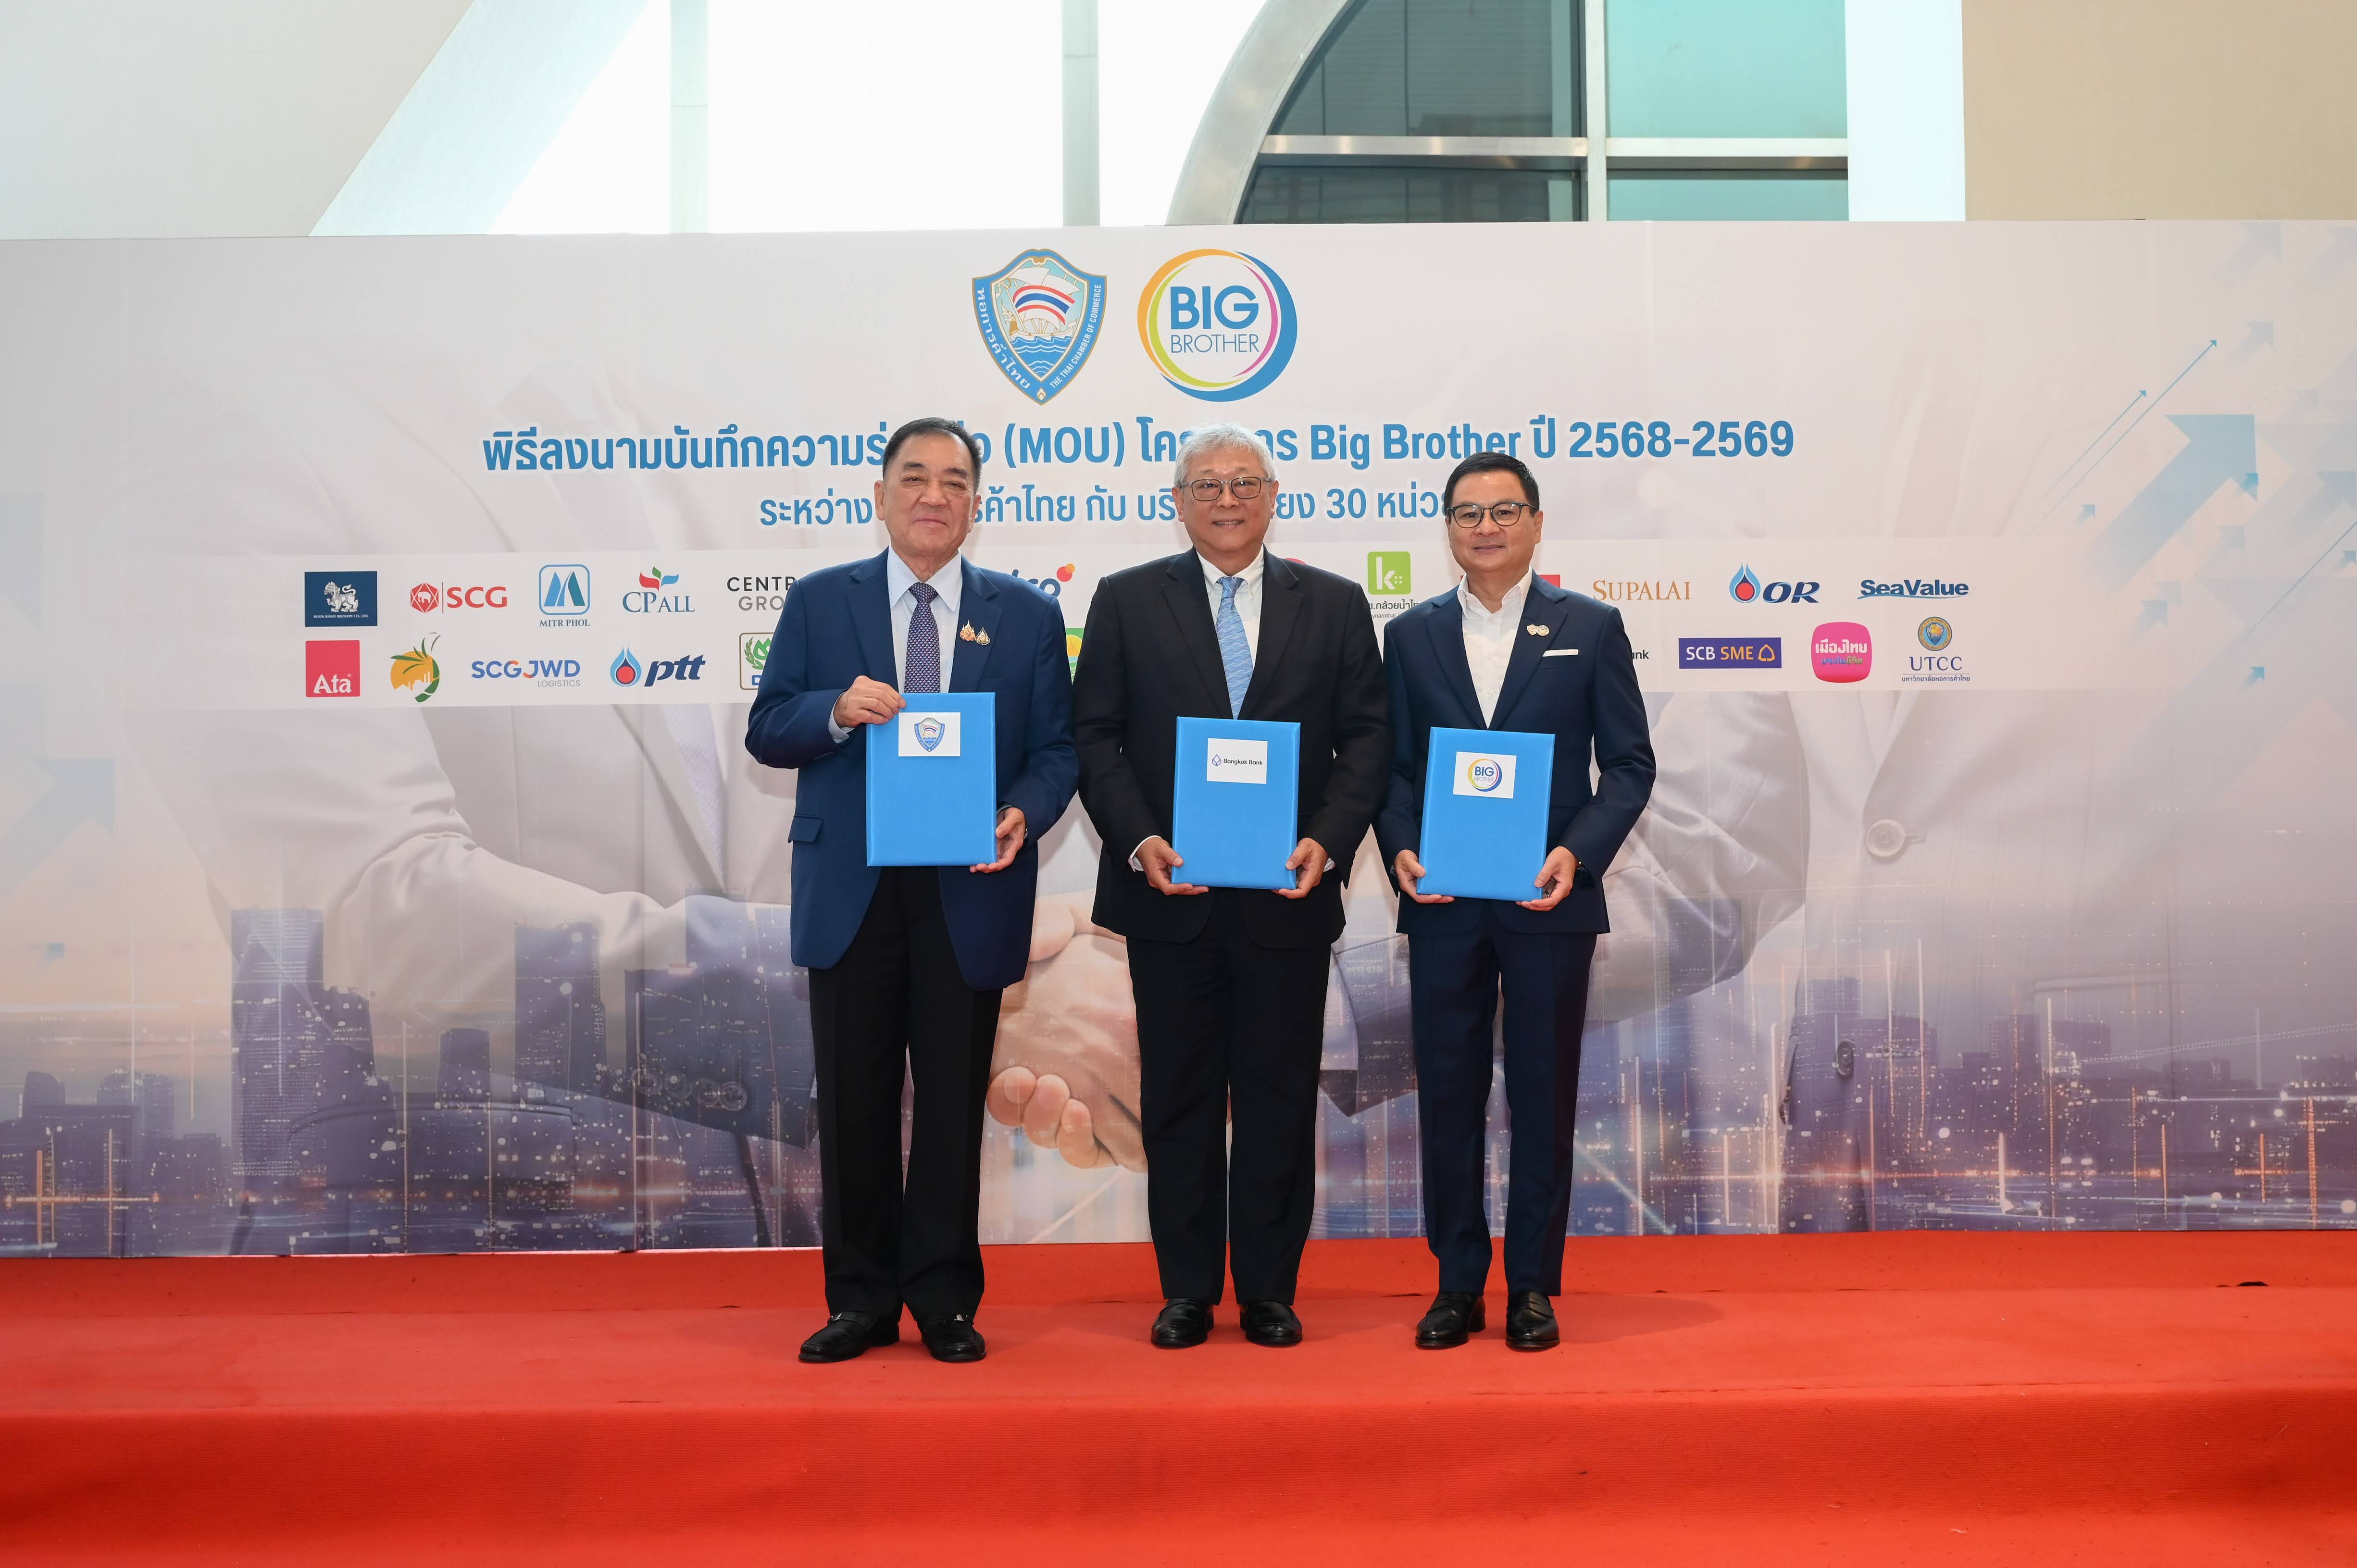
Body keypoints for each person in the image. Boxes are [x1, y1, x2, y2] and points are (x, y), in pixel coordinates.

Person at [746, 417, 1077, 1364]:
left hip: (968, 888)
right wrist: (834, 710)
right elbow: (768, 726)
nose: (935, 495)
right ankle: (858, 1299)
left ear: (976, 502)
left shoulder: (1027, 614)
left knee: (949, 1106)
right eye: (916, 477)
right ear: (882, 495)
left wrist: (1021, 812)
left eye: (955, 481)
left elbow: (1057, 751)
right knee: (852, 1103)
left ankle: (943, 1297)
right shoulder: (821, 601)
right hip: (851, 888)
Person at [1070, 424, 1389, 1348]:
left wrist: (1328, 839)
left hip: (1286, 896)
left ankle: (1269, 1290)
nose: (1226, 499)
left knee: (1279, 1097)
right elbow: (1095, 737)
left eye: (1244, 482)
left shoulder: (1334, 603)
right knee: (1178, 1096)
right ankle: (1186, 1289)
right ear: (1178, 501)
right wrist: (1140, 839)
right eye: (1206, 484)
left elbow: (1369, 738)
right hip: (1167, 894)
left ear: (1273, 496)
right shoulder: (1127, 599)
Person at [1376, 450, 1654, 1350]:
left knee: (1542, 1092)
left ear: (1536, 522)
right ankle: (1457, 1281)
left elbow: (1629, 765)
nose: (1486, 527)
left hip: (1548, 900)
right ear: (1448, 529)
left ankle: (1532, 1283)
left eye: (1504, 510)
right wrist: (1401, 845)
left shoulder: (1592, 626)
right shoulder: (1410, 635)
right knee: (1448, 1094)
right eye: (1468, 513)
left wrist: (1578, 852)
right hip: (1445, 900)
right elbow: (1394, 768)